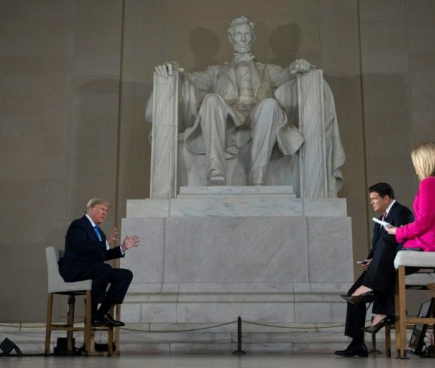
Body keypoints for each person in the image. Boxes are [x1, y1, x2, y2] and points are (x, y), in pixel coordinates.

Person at [153, 16, 341, 187]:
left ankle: (258, 175)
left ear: (253, 36)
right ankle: (216, 172)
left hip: (258, 117)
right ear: (230, 38)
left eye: (246, 35)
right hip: (228, 119)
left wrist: (298, 66)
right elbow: (191, 78)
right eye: (238, 35)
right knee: (211, 100)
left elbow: (286, 75)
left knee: (270, 104)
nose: (243, 39)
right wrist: (175, 68)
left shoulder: (267, 70)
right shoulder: (216, 71)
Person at [334, 183, 413, 357]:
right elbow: (378, 247)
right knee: (353, 294)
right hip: (378, 266)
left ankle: (383, 311)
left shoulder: (402, 212)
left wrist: (377, 260)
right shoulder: (379, 220)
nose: (372, 203)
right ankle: (357, 344)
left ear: (386, 198)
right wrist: (369, 260)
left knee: (360, 293)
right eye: (370, 200)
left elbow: (398, 240)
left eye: (374, 199)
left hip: (393, 265)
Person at [59, 198, 140, 327]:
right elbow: (82, 248)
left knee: (125, 275)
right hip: (75, 270)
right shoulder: (78, 225)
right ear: (91, 209)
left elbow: (101, 255)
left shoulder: (100, 233)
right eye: (102, 209)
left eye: (106, 211)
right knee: (103, 269)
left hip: (93, 270)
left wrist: (122, 248)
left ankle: (100, 314)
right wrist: (106, 243)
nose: (105, 213)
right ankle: (93, 313)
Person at [385, 141, 435, 252]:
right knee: (388, 244)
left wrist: (399, 231)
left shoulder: (429, 184)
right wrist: (402, 230)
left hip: (432, 241)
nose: (415, 170)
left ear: (424, 163)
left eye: (416, 164)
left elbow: (423, 222)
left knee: (388, 244)